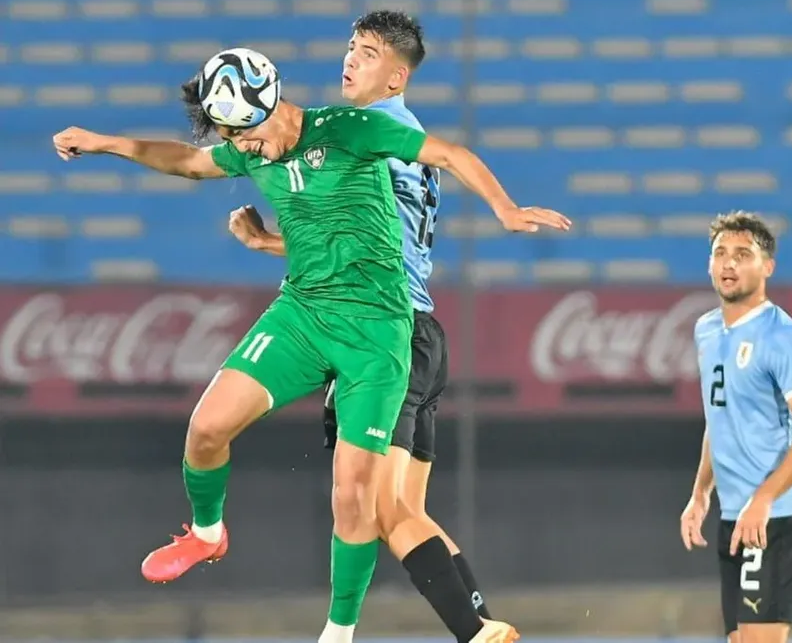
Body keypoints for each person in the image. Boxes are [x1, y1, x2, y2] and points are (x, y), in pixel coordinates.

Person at [52, 49, 568, 643]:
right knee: (206, 429)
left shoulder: (350, 130)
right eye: (231, 140)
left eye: (243, 136)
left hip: (377, 332)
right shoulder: (249, 144)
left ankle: (338, 632)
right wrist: (103, 142)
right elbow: (191, 162)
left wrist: (503, 208)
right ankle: (207, 531)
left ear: (270, 105)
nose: (240, 151)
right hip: (303, 313)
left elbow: (447, 154)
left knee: (356, 498)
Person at [227, 10, 505, 625]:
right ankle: (485, 623)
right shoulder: (398, 133)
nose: (351, 59)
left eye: (370, 52)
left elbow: (360, 249)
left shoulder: (365, 135)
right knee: (405, 510)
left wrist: (266, 243)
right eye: (352, 46)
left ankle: (475, 630)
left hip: (381, 328)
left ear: (396, 77)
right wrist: (271, 242)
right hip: (424, 332)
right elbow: (369, 237)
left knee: (377, 511)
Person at [679, 211, 792, 643]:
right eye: (720, 253)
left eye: (742, 254)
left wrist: (764, 498)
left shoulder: (784, 337)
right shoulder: (707, 330)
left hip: (783, 516)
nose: (728, 263)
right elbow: (720, 416)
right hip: (738, 516)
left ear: (767, 267)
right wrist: (700, 493)